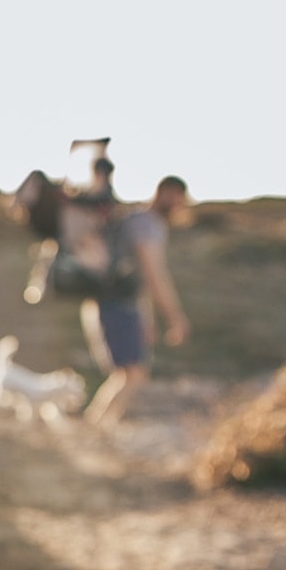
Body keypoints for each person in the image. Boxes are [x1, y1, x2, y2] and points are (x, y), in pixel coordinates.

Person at [82, 175, 191, 427]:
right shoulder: (146, 225)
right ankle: (97, 426)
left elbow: (139, 280)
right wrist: (175, 318)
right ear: (165, 192)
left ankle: (97, 425)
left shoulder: (137, 220)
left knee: (128, 373)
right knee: (133, 373)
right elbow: (153, 275)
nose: (179, 205)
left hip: (117, 304)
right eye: (178, 198)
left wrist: (146, 320)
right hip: (116, 304)